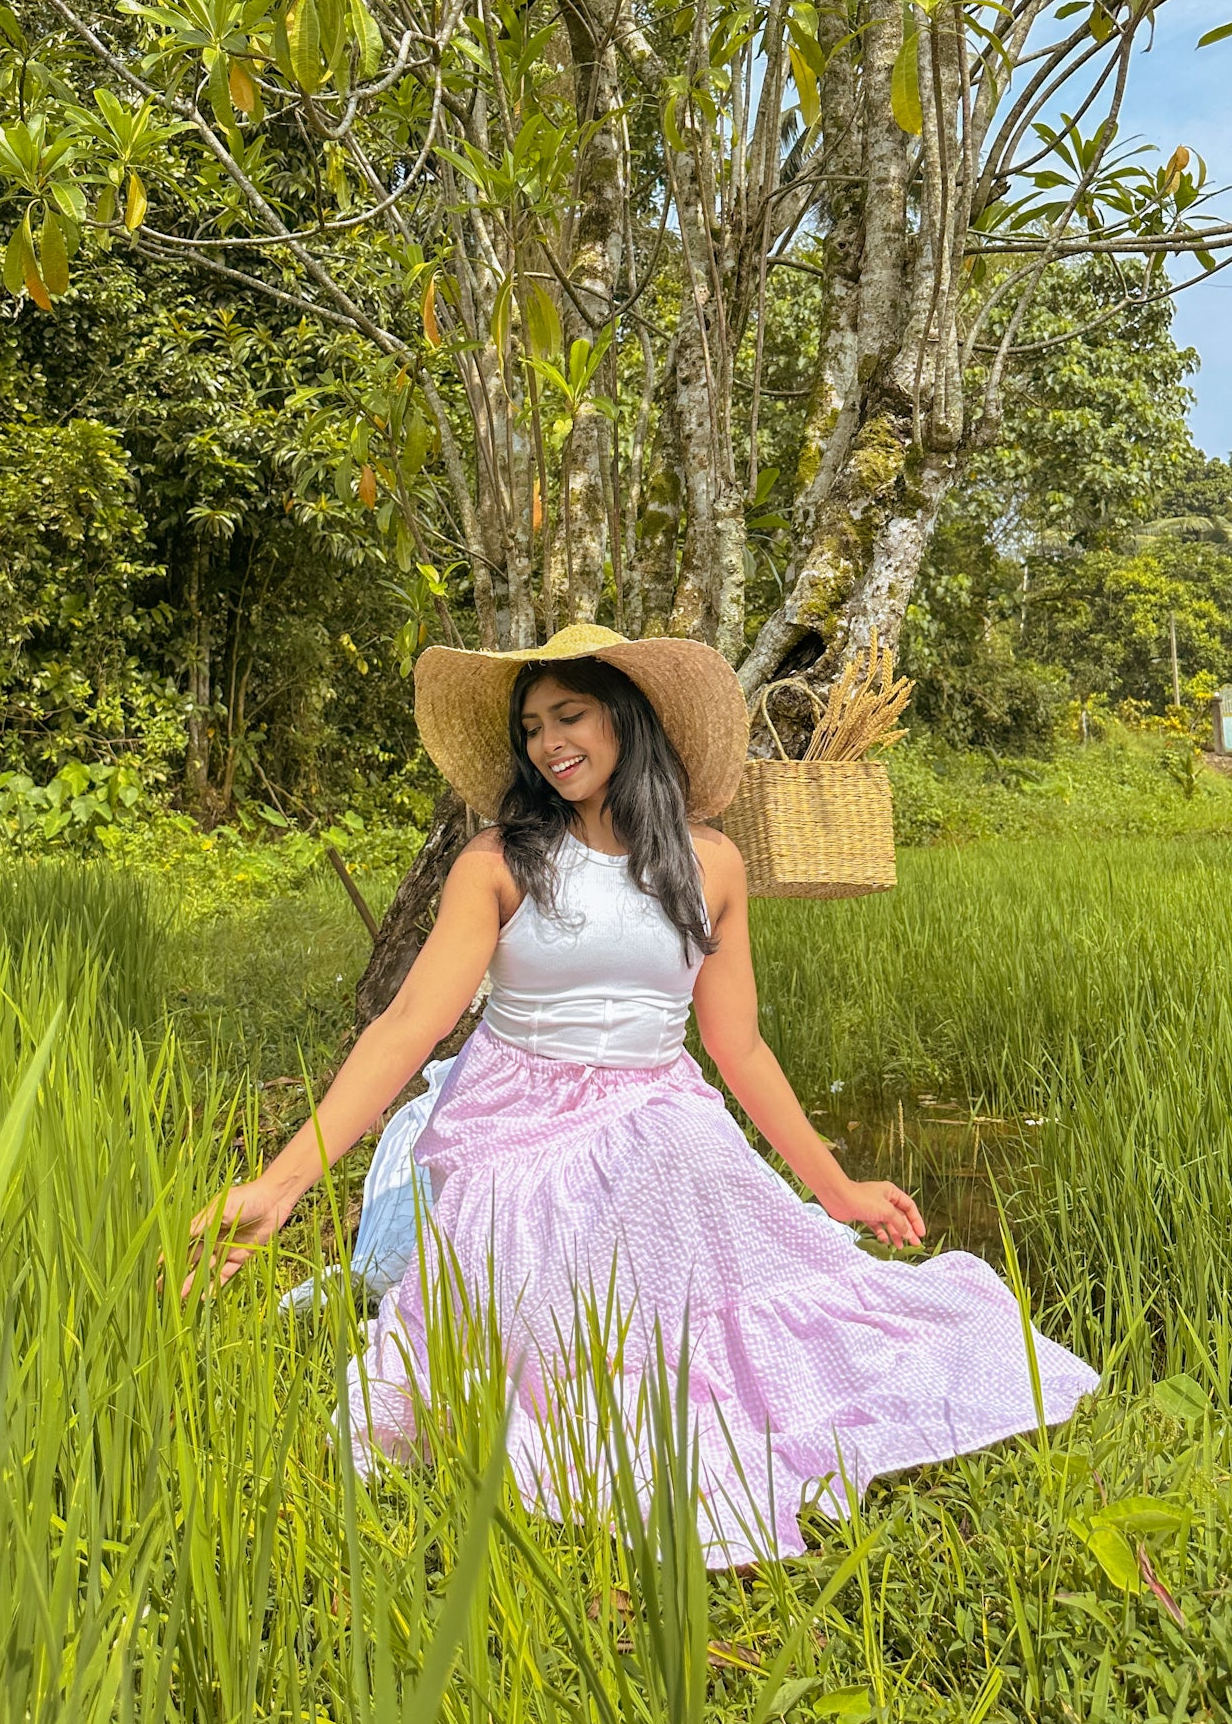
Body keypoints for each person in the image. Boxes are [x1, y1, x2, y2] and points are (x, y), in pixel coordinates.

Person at [187, 624, 1099, 1566]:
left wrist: (838, 1191)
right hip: (517, 1134)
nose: (548, 743)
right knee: (532, 1350)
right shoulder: (498, 863)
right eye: (532, 726)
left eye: (568, 715)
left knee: (709, 1238)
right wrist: (283, 1185)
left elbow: (735, 1045)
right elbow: (407, 1024)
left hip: (660, 1119)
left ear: (626, 721)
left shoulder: (709, 864)